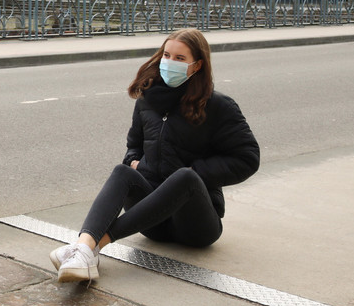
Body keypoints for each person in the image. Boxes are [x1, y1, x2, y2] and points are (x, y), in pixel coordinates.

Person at [50, 28, 260, 282]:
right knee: (121, 172)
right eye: (167, 55)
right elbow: (133, 146)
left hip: (195, 226)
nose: (170, 62)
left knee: (184, 177)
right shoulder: (147, 100)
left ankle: (92, 248)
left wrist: (197, 173)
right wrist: (133, 161)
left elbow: (248, 157)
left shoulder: (218, 106)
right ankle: (84, 246)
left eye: (180, 59)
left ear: (197, 66)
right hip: (152, 222)